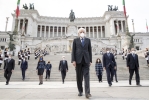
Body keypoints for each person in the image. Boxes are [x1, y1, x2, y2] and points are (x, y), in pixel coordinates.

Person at [71, 28, 92, 98]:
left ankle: (87, 93)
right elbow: (73, 51)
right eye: (81, 32)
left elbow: (90, 51)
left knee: (87, 77)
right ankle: (80, 90)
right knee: (79, 77)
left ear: (85, 33)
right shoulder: (75, 40)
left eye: (83, 32)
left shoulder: (88, 40)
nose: (82, 33)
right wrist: (73, 60)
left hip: (86, 60)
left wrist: (90, 60)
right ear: (78, 33)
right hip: (78, 60)